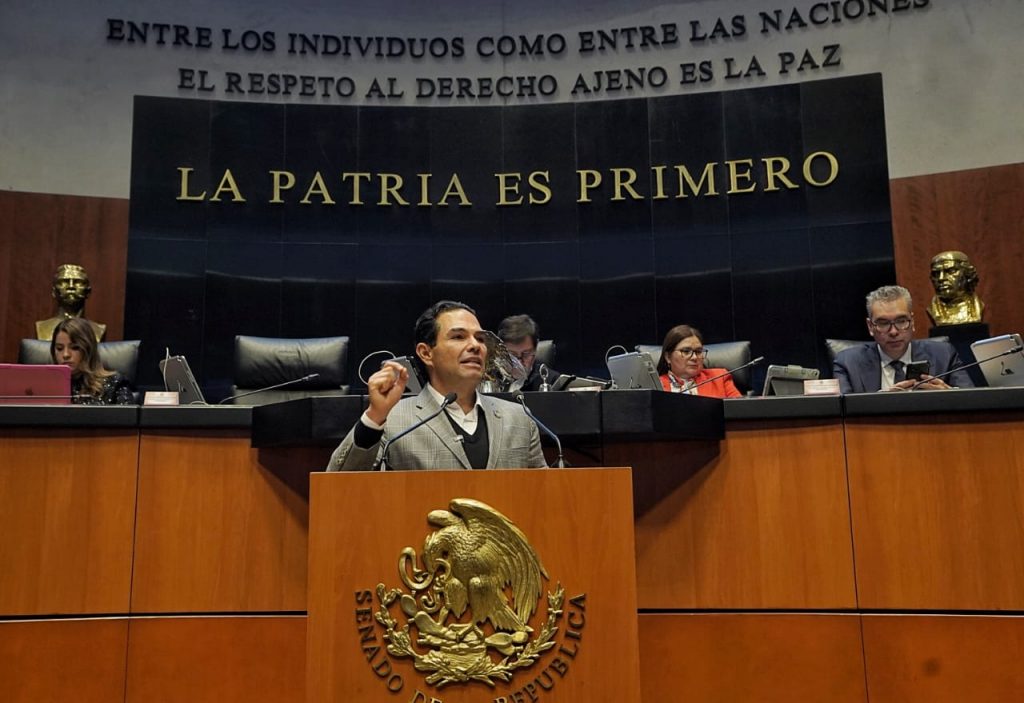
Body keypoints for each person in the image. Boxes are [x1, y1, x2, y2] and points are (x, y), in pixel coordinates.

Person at [328, 301, 547, 471]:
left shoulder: (519, 418)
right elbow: (338, 486)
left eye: (480, 339)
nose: (475, 346)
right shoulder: (393, 420)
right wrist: (374, 418)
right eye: (459, 337)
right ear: (426, 353)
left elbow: (545, 494)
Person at [833, 285, 974, 393]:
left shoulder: (944, 355)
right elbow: (842, 414)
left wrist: (950, 394)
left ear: (912, 322)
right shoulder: (848, 362)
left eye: (901, 321)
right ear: (870, 326)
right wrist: (880, 403)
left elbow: (972, 400)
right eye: (883, 323)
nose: (894, 332)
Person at [51, 317, 133, 405]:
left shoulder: (115, 384)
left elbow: (127, 414)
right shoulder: (47, 386)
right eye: (59, 348)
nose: (65, 355)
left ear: (89, 350)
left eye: (75, 347)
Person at [656, 325, 742, 398]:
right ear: (668, 357)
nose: (694, 357)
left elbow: (740, 409)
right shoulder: (655, 386)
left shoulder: (719, 378)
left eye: (698, 351)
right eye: (686, 351)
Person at [36, 263, 107, 343]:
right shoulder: (41, 327)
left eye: (78, 282)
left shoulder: (98, 330)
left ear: (88, 292)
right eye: (63, 282)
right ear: (54, 292)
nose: (71, 286)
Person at [496, 314, 560, 392]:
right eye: (512, 355)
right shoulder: (490, 378)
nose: (519, 362)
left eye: (526, 354)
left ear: (535, 349)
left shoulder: (553, 382)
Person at [926, 250, 985, 325]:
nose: (941, 278)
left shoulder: (979, 306)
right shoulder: (933, 310)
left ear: (967, 274)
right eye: (936, 274)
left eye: (951, 271)